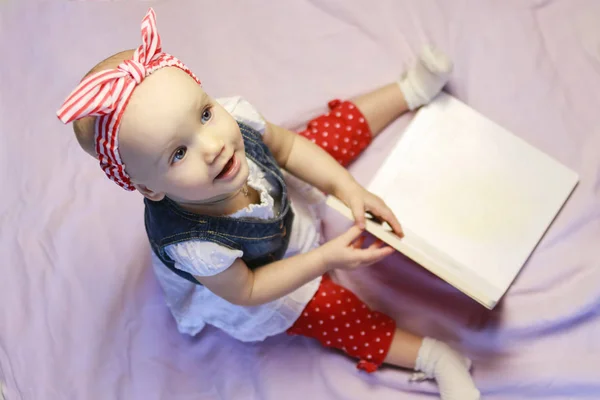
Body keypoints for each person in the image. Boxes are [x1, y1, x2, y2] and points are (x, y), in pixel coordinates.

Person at [57, 8, 480, 399]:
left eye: (204, 114)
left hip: (279, 197)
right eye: (178, 153)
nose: (213, 146)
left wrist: (349, 188)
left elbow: (291, 149)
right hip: (263, 273)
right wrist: (325, 258)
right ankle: (435, 357)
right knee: (330, 313)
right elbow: (249, 290)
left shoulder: (235, 118)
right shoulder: (196, 245)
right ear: (150, 189)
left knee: (323, 138)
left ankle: (410, 89)